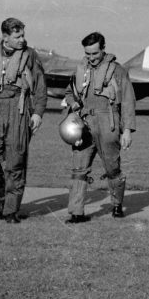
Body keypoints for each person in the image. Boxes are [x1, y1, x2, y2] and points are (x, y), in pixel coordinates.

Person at [0, 18, 47, 223]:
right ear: (5, 37)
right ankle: (2, 198)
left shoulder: (30, 56)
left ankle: (11, 210)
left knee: (16, 162)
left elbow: (40, 87)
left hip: (19, 110)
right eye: (17, 36)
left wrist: (38, 112)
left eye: (23, 35)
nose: (22, 39)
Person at [62, 31, 136, 222]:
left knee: (112, 168)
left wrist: (127, 130)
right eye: (88, 54)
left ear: (103, 49)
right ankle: (76, 213)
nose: (91, 58)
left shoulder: (118, 71)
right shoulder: (80, 70)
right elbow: (69, 92)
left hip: (108, 123)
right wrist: (73, 103)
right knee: (79, 169)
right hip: (84, 125)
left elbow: (128, 101)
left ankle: (117, 204)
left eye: (95, 53)